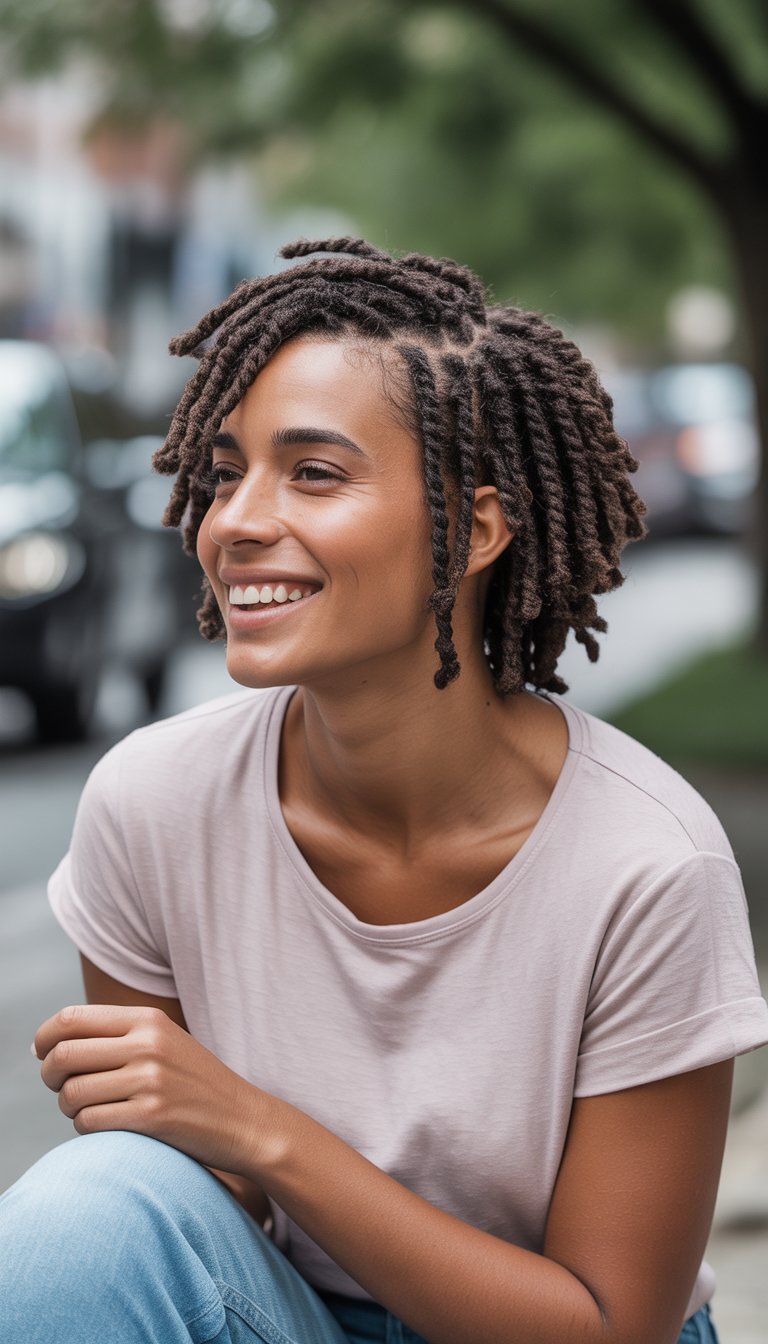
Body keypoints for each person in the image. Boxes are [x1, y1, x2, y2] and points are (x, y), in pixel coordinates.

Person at [1, 237, 766, 1344]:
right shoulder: (153, 804)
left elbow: (610, 1327)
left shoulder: (646, 866)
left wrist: (263, 1130)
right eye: (226, 472)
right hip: (288, 1314)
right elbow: (171, 1227)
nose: (236, 522)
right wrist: (213, 1156)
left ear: (481, 529)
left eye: (314, 472)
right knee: (86, 1213)